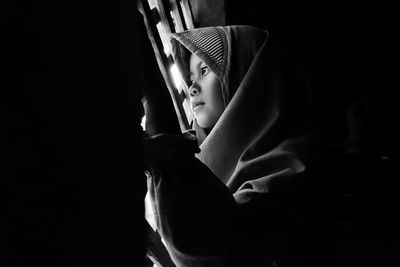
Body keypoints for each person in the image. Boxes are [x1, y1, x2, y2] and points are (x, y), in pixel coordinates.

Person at [143, 25, 324, 266]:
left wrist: (156, 105)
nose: (192, 88)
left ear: (248, 78)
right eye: (190, 79)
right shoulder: (198, 152)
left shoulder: (290, 173)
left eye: (205, 70)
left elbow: (215, 250)